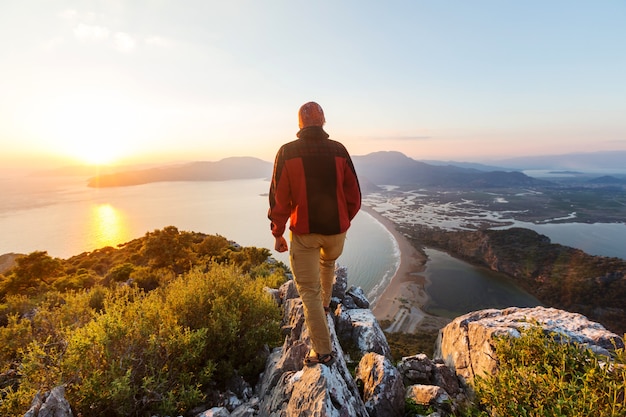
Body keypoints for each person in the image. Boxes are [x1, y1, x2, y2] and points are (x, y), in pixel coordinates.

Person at [268, 101, 361, 366]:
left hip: (305, 234)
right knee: (328, 261)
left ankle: (322, 351)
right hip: (336, 234)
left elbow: (279, 199)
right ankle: (324, 305)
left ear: (300, 124)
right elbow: (354, 195)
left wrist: (278, 233)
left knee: (307, 290)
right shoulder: (339, 151)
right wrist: (343, 220)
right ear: (323, 122)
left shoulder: (287, 152)